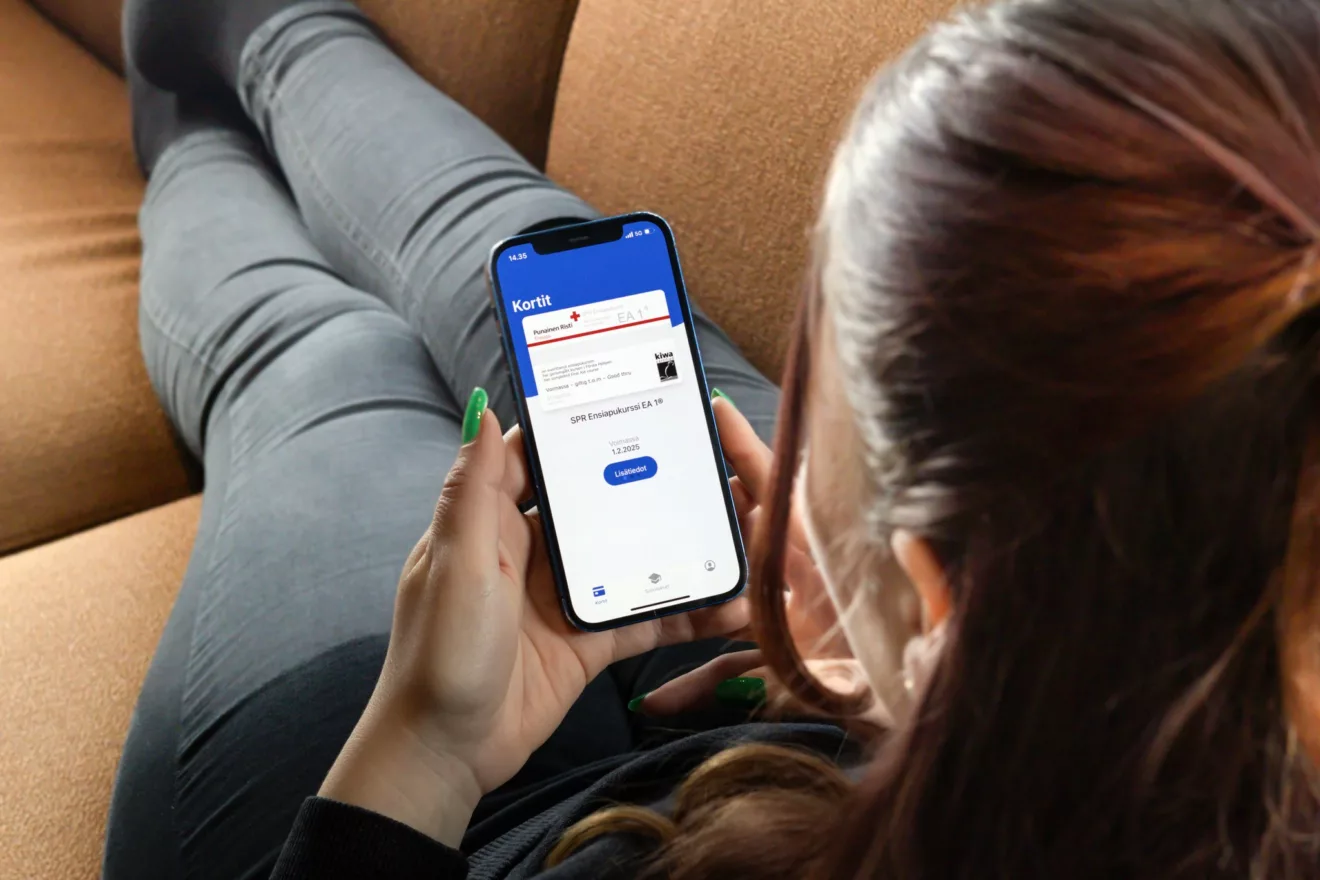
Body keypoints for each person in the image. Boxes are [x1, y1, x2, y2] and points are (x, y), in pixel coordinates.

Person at [106, 0, 1320, 876]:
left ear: (928, 588)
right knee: (527, 258)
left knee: (329, 355)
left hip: (408, 818)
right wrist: (905, 690)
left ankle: (196, 113)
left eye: (831, 363)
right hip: (862, 703)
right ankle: (255, 32)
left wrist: (422, 746)